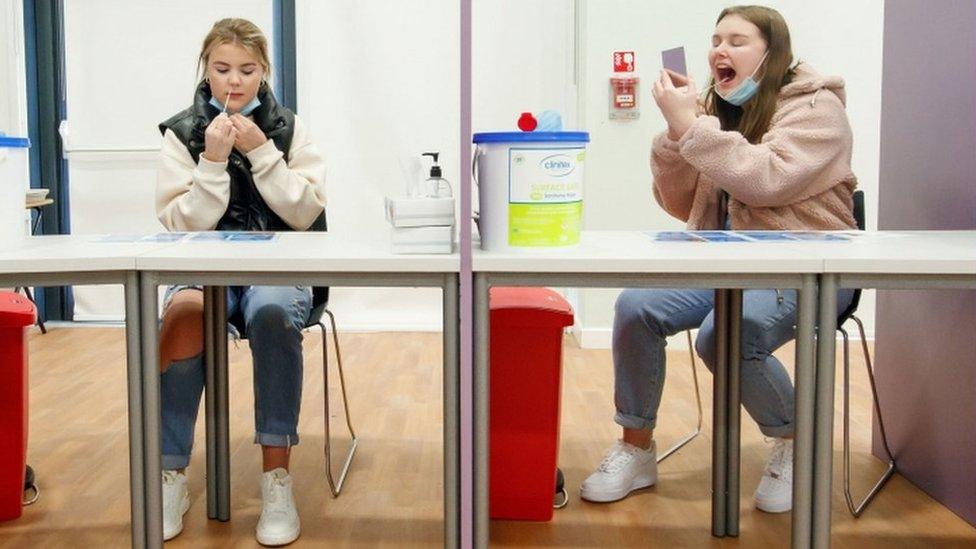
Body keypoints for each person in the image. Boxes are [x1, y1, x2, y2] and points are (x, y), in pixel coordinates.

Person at [580, 5, 857, 515]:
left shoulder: (818, 110)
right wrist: (674, 134)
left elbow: (767, 179)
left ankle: (796, 445)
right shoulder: (716, 107)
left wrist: (695, 129)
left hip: (810, 264)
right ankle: (635, 449)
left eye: (737, 40)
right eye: (715, 40)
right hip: (724, 263)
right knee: (635, 308)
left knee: (727, 333)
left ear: (772, 53)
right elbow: (682, 204)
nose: (719, 51)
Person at [155, 17, 326, 545]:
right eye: (222, 69)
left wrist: (259, 152)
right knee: (184, 318)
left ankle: (277, 480)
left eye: (247, 70)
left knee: (272, 312)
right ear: (205, 71)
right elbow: (179, 225)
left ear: (264, 72)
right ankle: (170, 476)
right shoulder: (180, 132)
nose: (234, 81)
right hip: (202, 271)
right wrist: (210, 160)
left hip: (280, 269)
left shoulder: (290, 128)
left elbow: (305, 212)